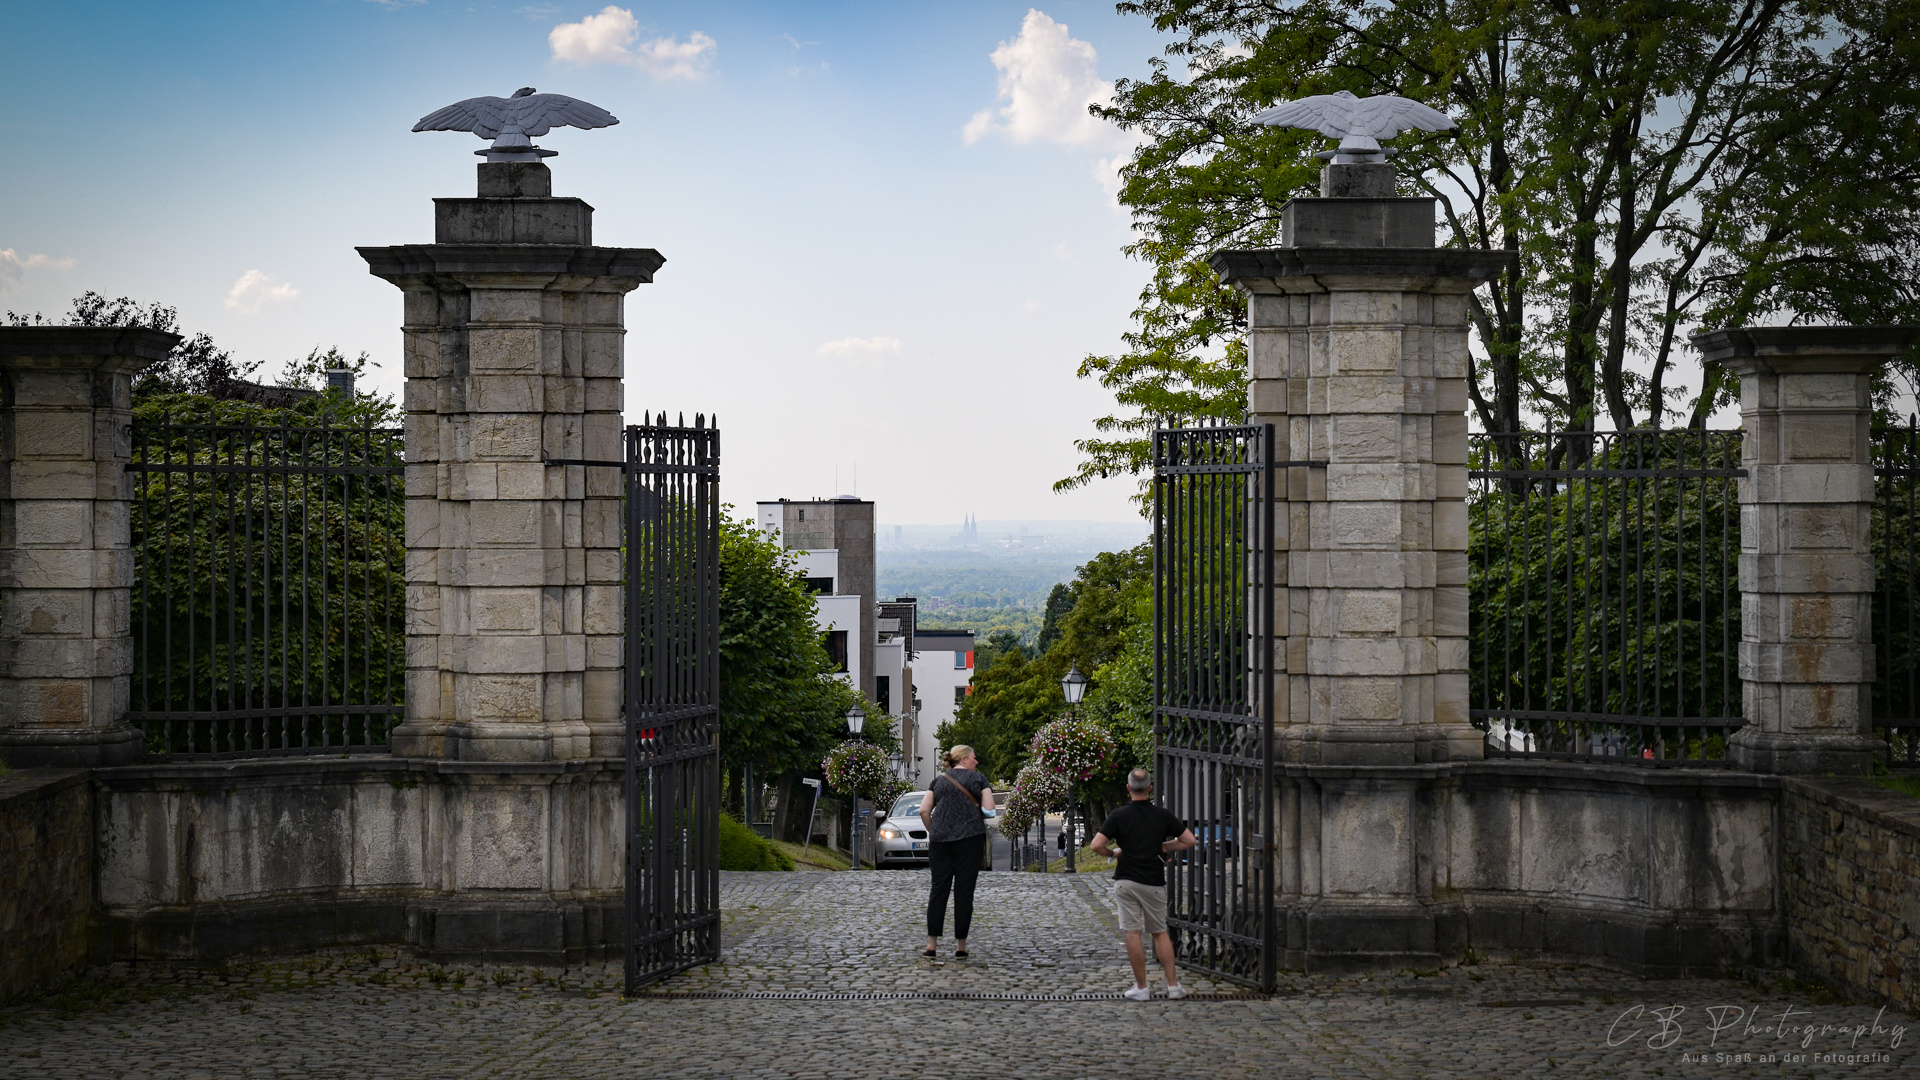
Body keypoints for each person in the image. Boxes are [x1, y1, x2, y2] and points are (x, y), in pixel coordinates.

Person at [1090, 768, 1198, 1000]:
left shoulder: (1119, 816)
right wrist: (1166, 846)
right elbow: (1190, 840)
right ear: (1150, 788)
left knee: (1132, 933)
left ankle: (1141, 987)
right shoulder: (1162, 815)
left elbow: (1096, 845)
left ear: (1128, 789)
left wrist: (1113, 853)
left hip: (1126, 879)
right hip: (1153, 880)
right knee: (1160, 933)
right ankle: (1173, 986)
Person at [919, 744, 994, 958]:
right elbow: (989, 811)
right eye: (974, 757)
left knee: (938, 890)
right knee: (964, 893)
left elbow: (924, 810)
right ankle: (960, 947)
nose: (976, 761)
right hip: (969, 840)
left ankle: (931, 945)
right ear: (964, 759)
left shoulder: (939, 780)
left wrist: (935, 831)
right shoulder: (979, 779)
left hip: (940, 842)